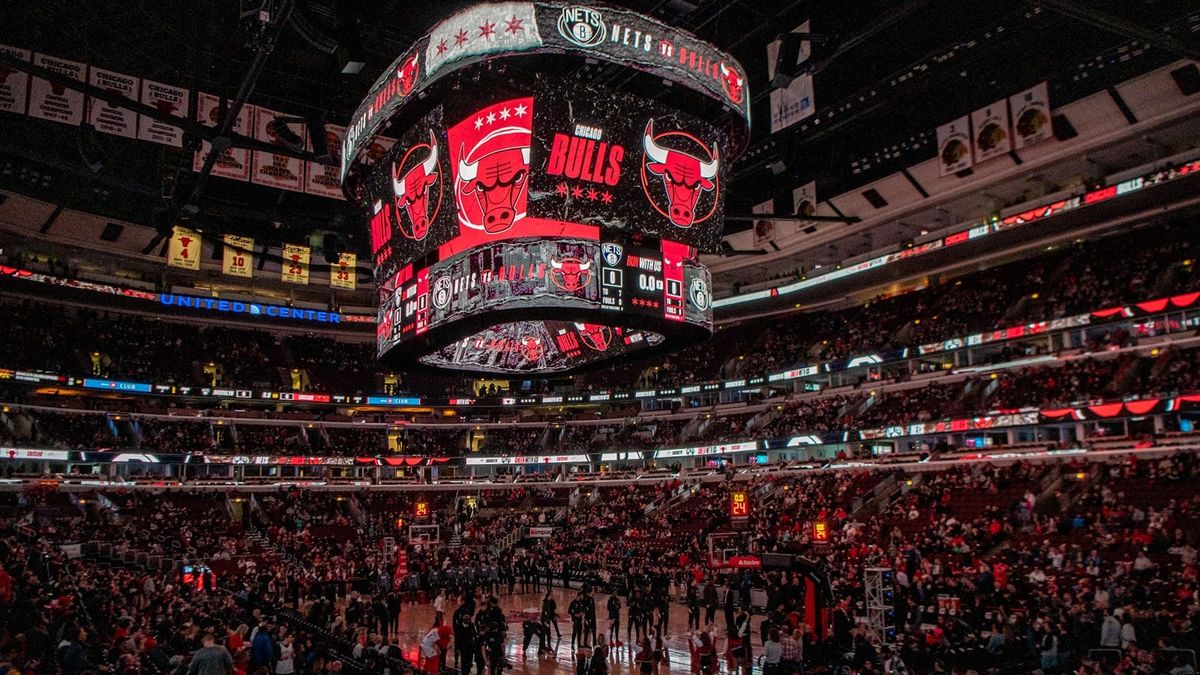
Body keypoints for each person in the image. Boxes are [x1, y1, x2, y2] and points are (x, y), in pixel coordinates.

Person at [454, 600, 482, 675]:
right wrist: (457, 648)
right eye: (467, 620)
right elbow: (458, 638)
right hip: (463, 647)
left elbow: (475, 634)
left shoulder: (472, 625)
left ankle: (467, 670)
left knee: (469, 661)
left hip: (470, 646)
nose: (468, 621)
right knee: (464, 661)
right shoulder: (459, 627)